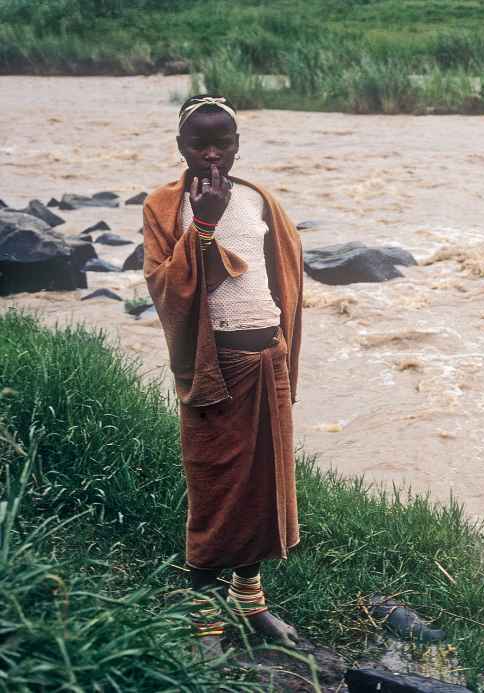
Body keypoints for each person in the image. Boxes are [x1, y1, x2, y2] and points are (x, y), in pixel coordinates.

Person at [142, 94, 304, 658]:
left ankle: (252, 603)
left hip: (268, 361)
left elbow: (287, 282)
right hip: (213, 370)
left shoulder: (261, 202)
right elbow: (168, 290)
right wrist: (204, 225)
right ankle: (206, 622)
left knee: (263, 488)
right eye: (198, 143)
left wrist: (283, 349)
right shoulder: (166, 207)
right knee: (214, 489)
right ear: (180, 145)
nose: (211, 154)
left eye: (223, 142)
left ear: (238, 144)